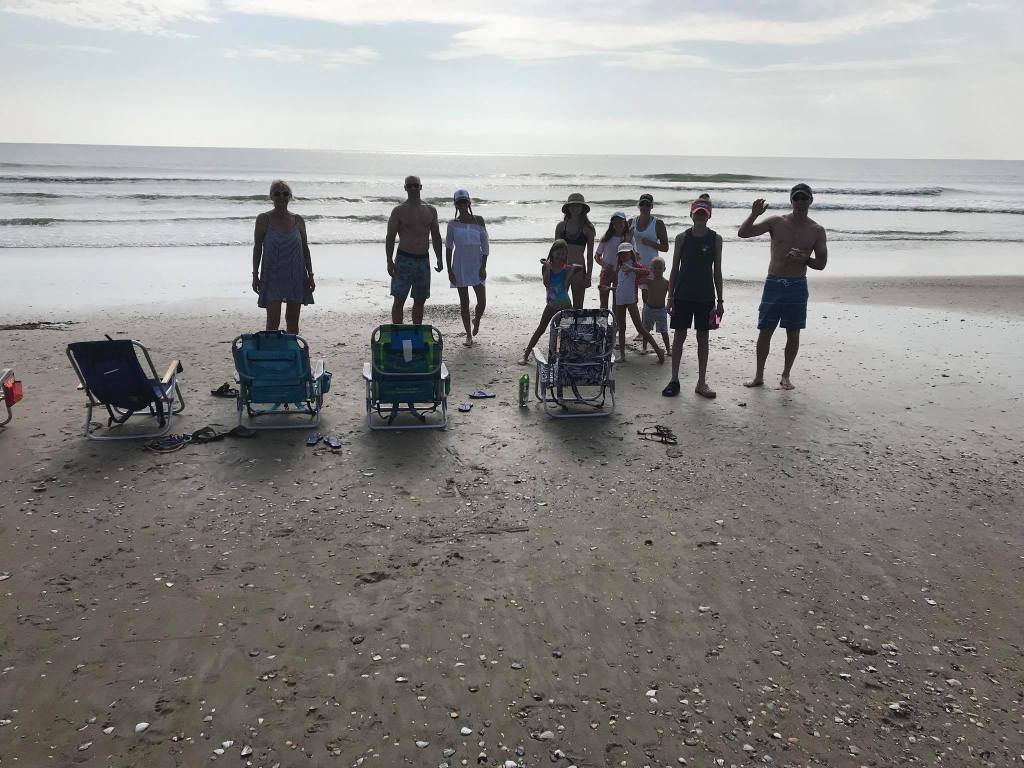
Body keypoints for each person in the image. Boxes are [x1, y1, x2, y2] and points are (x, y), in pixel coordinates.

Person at [738, 183, 828, 390]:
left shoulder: (816, 230)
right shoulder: (776, 222)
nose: (800, 202)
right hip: (774, 282)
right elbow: (743, 233)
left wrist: (805, 259)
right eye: (796, 198)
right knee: (765, 330)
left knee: (793, 333)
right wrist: (754, 214)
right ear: (791, 200)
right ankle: (759, 375)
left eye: (804, 198)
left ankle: (786, 376)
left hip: (797, 285)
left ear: (811, 200)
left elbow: (821, 264)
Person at [662, 198, 724, 399]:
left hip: (706, 296)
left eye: (704, 213)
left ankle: (701, 382)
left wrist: (720, 301)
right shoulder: (682, 238)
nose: (700, 216)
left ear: (709, 215)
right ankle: (674, 380)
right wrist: (670, 296)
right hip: (682, 295)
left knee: (703, 338)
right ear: (691, 215)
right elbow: (674, 269)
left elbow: (717, 272)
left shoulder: (716, 239)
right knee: (679, 336)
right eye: (697, 212)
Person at [252, 180, 314, 334]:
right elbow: (257, 248)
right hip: (272, 275)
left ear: (290, 197)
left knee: (292, 320)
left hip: (295, 275)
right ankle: (272, 348)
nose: (281, 197)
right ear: (271, 196)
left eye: (285, 193)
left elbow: (305, 249)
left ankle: (291, 348)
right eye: (277, 193)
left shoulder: (298, 220)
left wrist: (310, 275)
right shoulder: (263, 219)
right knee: (273, 321)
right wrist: (255, 275)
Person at [385, 175, 443, 325]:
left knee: (420, 299)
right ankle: (398, 331)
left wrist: (439, 258)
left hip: (423, 260)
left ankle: (417, 330)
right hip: (404, 259)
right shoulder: (399, 211)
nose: (413, 188)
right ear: (405, 188)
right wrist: (389, 261)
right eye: (409, 185)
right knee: (399, 299)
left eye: (415, 185)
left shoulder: (430, 210)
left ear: (420, 187)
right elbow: (390, 236)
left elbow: (436, 235)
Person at [519, 239, 583, 365]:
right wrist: (548, 267)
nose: (560, 256)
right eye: (558, 253)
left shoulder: (566, 269)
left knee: (564, 333)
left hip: (565, 305)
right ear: (552, 253)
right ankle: (526, 355)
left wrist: (573, 269)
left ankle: (566, 358)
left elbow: (565, 286)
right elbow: (547, 283)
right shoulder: (546, 267)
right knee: (540, 329)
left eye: (563, 254)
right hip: (551, 305)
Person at [445, 189, 489, 347]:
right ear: (456, 205)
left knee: (482, 302)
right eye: (459, 202)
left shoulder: (479, 220)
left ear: (469, 203)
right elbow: (448, 247)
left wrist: (483, 266)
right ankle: (469, 336)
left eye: (465, 202)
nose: (462, 204)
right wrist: (449, 270)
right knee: (464, 302)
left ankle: (477, 320)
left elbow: (485, 246)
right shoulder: (452, 224)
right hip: (460, 265)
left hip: (477, 264)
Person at [611, 242, 664, 363]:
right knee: (621, 327)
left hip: (631, 300)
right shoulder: (619, 267)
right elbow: (620, 285)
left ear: (631, 253)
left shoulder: (634, 265)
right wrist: (609, 288)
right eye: (621, 254)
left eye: (626, 253)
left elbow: (646, 271)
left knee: (640, 327)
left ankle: (658, 351)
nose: (623, 255)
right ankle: (622, 355)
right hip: (619, 299)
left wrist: (631, 269)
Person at [554, 193, 595, 309]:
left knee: (578, 307)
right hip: (562, 269)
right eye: (572, 205)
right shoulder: (561, 227)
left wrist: (588, 276)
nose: (575, 208)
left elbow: (589, 255)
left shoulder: (588, 228)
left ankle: (575, 322)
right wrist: (551, 270)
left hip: (579, 270)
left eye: (578, 205)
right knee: (559, 304)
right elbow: (555, 252)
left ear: (583, 208)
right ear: (568, 208)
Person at [630, 192, 669, 308]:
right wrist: (633, 253)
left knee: (647, 297)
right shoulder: (631, 222)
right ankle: (640, 318)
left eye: (647, 205)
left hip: (651, 265)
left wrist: (650, 243)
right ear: (638, 206)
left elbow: (665, 247)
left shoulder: (658, 223)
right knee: (631, 297)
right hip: (634, 264)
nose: (644, 207)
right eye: (642, 204)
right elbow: (625, 243)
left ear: (652, 206)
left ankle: (647, 318)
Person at [595, 211, 629, 310]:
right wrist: (605, 265)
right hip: (606, 272)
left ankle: (615, 319)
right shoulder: (606, 238)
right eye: (615, 221)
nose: (618, 224)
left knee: (617, 302)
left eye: (621, 221)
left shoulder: (627, 238)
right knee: (603, 301)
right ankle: (603, 319)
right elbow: (597, 256)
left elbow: (635, 256)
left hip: (620, 273)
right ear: (612, 223)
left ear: (625, 223)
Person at [641, 256, 671, 355]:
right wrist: (642, 272)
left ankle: (668, 349)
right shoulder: (649, 281)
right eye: (655, 268)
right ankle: (644, 347)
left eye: (659, 268)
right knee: (646, 330)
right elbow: (638, 281)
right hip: (649, 308)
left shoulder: (667, 283)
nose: (657, 270)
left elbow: (671, 295)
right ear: (651, 269)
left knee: (664, 331)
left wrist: (671, 306)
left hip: (661, 309)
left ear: (664, 269)